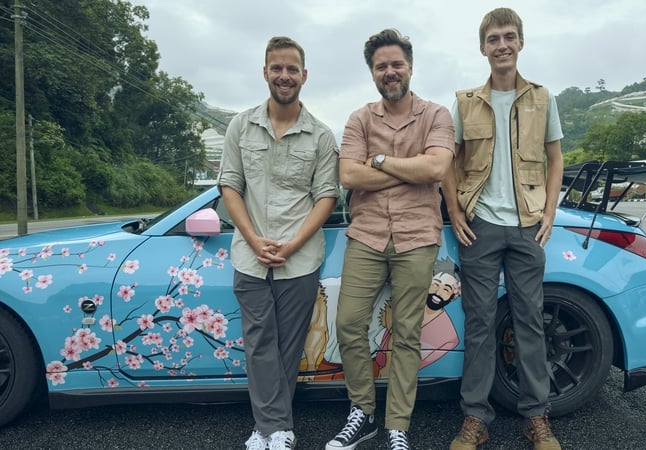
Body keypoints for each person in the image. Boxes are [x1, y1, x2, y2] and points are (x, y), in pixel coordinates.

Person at [325, 28, 455, 450]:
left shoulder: (436, 115)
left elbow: (435, 169)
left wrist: (379, 161)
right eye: (381, 66)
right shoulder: (359, 119)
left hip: (417, 237)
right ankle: (362, 412)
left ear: (410, 67)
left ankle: (398, 424)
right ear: (372, 73)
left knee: (407, 332)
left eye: (397, 63)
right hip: (367, 236)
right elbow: (349, 175)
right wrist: (408, 169)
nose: (390, 71)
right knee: (348, 324)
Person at [442, 8, 564, 450]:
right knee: (480, 324)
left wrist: (549, 212)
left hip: (528, 225)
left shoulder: (543, 98)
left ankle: (537, 418)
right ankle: (475, 418)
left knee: (530, 322)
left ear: (521, 42)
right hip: (480, 227)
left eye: (509, 37)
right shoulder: (465, 102)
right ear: (483, 47)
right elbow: (447, 162)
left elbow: (555, 158)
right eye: (493, 39)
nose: (502, 45)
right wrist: (455, 212)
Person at [218, 35, 339, 450]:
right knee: (259, 343)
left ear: (304, 75)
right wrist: (253, 239)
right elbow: (230, 186)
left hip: (299, 258)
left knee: (287, 347)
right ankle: (274, 428)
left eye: (292, 69)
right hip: (249, 256)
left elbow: (326, 196)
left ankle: (270, 429)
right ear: (265, 72)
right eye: (277, 68)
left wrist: (292, 245)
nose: (284, 76)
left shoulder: (321, 136)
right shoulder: (240, 126)